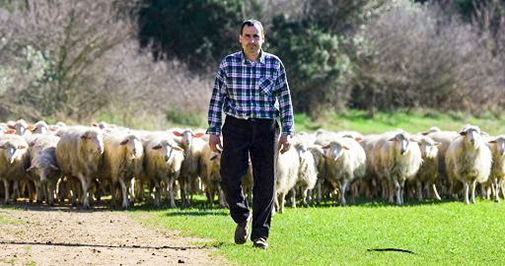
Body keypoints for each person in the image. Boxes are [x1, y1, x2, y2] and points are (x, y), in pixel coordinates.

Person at [206, 19, 294, 249]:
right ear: (240, 39)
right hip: (236, 126)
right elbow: (217, 100)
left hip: (266, 128)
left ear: (262, 39)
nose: (252, 41)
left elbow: (285, 99)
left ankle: (260, 235)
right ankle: (241, 215)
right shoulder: (228, 64)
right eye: (247, 36)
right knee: (229, 176)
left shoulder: (274, 65)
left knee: (266, 181)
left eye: (256, 36)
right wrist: (214, 131)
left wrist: (288, 132)